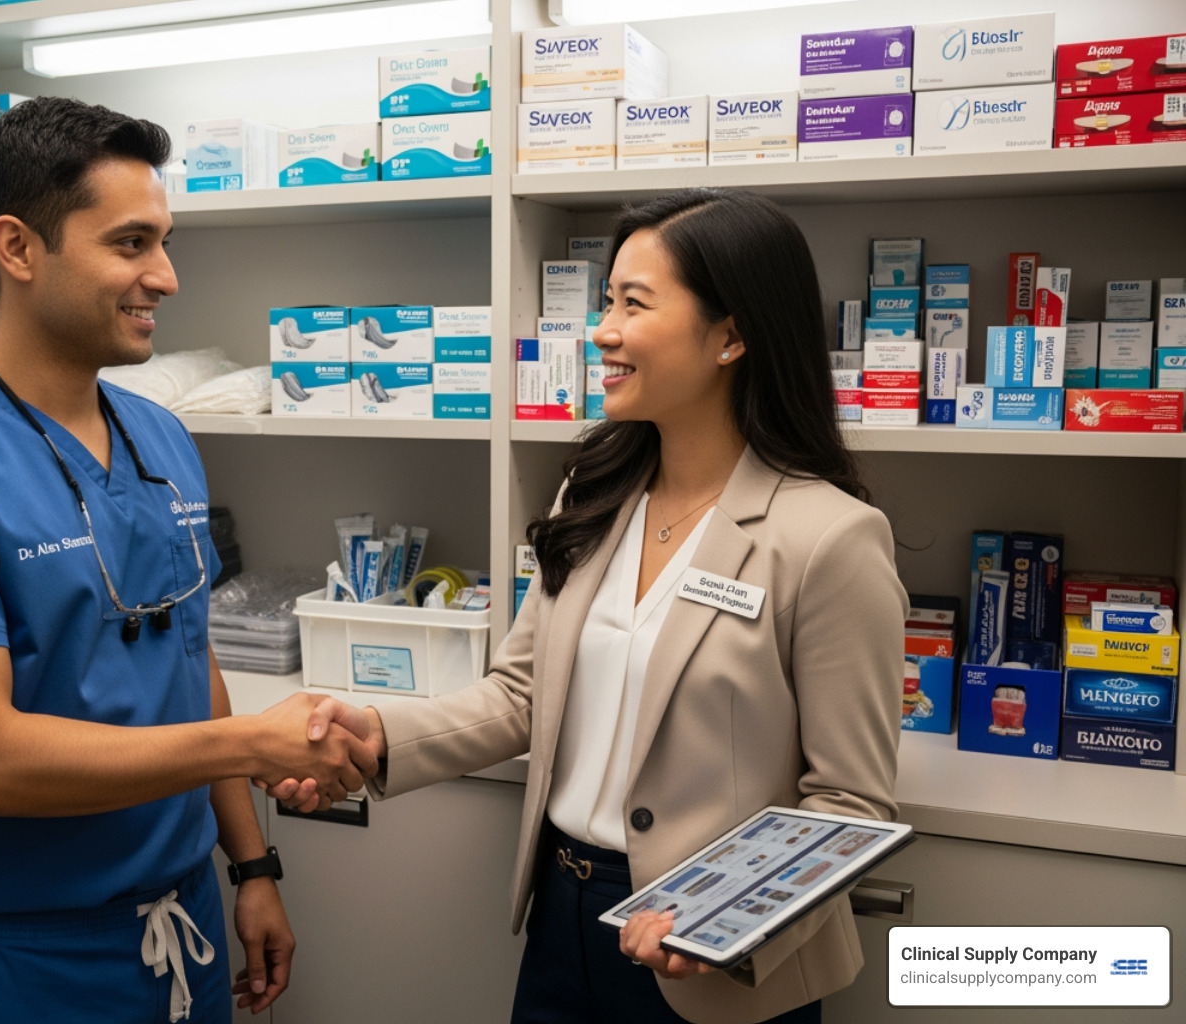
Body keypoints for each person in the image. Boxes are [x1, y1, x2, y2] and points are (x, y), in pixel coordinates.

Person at [0, 97, 372, 1024]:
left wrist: (251, 865)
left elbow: (188, 659)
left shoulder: (161, 437)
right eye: (130, 244)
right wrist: (252, 744)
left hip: (184, 919)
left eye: (164, 242)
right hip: (21, 959)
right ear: (17, 247)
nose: (166, 277)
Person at [309, 189, 907, 1024]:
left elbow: (849, 804)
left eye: (634, 303)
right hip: (564, 918)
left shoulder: (828, 538)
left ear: (731, 336)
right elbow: (524, 693)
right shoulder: (590, 495)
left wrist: (722, 922)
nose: (601, 330)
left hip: (713, 960)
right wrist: (380, 734)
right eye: (606, 302)